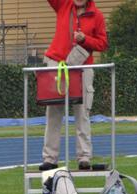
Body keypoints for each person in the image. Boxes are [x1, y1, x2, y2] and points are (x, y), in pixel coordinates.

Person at [39, 0, 107, 172]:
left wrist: (85, 39)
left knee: (82, 112)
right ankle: (50, 158)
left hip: (82, 66)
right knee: (53, 112)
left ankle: (84, 157)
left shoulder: (97, 15)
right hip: (57, 63)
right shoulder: (63, 4)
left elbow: (102, 43)